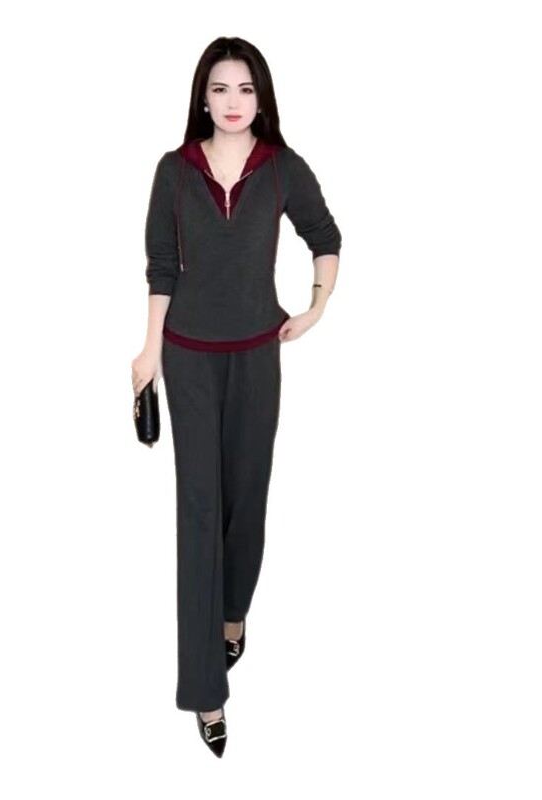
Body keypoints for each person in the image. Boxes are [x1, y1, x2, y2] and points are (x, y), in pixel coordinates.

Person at [130, 36, 342, 757]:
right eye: (220, 88)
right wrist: (149, 351)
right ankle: (205, 690)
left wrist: (316, 306)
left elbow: (325, 234)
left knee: (246, 501)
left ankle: (232, 613)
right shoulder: (174, 170)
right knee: (198, 513)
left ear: (262, 97)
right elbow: (161, 265)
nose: (232, 101)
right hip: (188, 357)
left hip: (257, 354)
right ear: (202, 96)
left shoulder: (281, 167)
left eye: (245, 89)